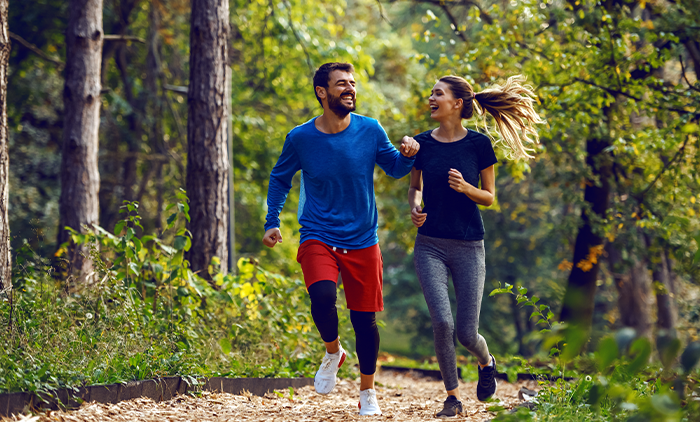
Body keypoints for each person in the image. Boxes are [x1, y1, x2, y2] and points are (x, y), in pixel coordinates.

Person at [262, 62, 419, 416]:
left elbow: (394, 167)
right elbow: (279, 178)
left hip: (362, 238)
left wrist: (409, 154)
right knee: (321, 296)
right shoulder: (300, 138)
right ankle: (333, 351)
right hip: (318, 232)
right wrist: (272, 220)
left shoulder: (370, 130)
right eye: (341, 84)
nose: (349, 89)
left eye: (352, 84)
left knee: (365, 321)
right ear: (322, 92)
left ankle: (367, 392)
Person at [408, 75, 543, 418]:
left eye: (438, 93)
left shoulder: (479, 145)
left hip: (469, 245)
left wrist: (467, 188)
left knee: (467, 333)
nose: (431, 97)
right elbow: (415, 188)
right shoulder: (423, 144)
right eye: (431, 92)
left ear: (457, 103)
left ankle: (487, 362)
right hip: (430, 245)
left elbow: (489, 197)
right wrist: (415, 206)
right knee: (442, 323)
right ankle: (452, 396)